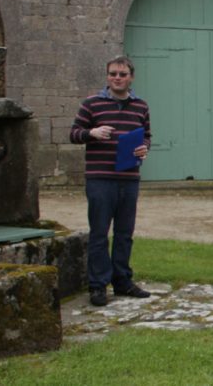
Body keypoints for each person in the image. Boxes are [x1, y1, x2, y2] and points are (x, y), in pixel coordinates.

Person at [69, 55, 152, 307]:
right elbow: (73, 134)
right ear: (107, 77)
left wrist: (144, 149)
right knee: (99, 234)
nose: (117, 78)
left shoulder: (141, 106)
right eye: (113, 74)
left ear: (131, 77)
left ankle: (122, 281)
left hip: (129, 178)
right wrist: (91, 133)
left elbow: (147, 136)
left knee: (125, 233)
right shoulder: (91, 104)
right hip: (100, 178)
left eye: (123, 74)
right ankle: (97, 286)